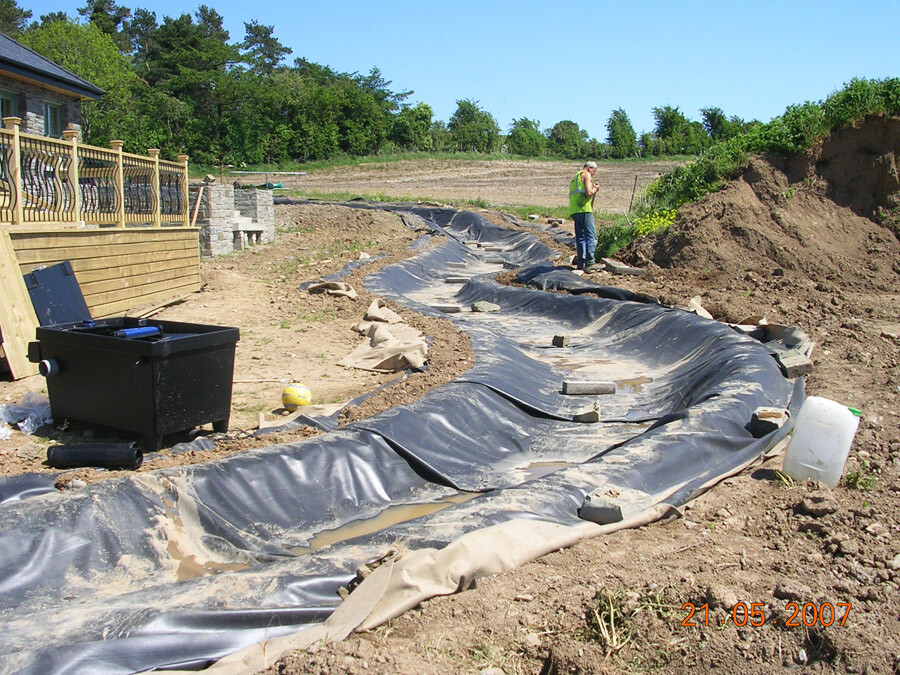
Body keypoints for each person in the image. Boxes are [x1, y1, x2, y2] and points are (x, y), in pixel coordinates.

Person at [568, 161, 600, 271]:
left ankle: (581, 263)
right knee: (591, 237)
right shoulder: (586, 175)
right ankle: (590, 263)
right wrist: (595, 189)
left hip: (575, 210)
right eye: (594, 171)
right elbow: (588, 193)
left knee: (580, 237)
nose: (594, 174)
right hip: (584, 209)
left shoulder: (575, 178)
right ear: (590, 168)